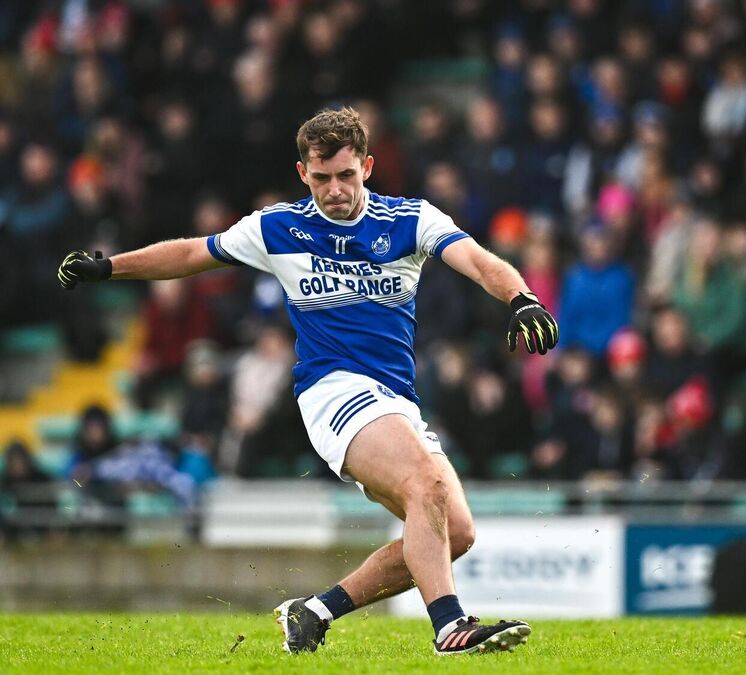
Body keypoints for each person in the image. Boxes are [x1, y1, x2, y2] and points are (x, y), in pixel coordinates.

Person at [56, 107, 559, 655]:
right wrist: (110, 267)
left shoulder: (411, 219)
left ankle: (315, 611)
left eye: (346, 175)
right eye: (322, 178)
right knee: (427, 486)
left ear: (367, 167)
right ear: (303, 173)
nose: (335, 190)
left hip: (396, 400)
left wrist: (521, 297)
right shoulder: (277, 227)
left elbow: (479, 261)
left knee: (454, 531)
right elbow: (192, 252)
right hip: (333, 391)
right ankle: (449, 626)